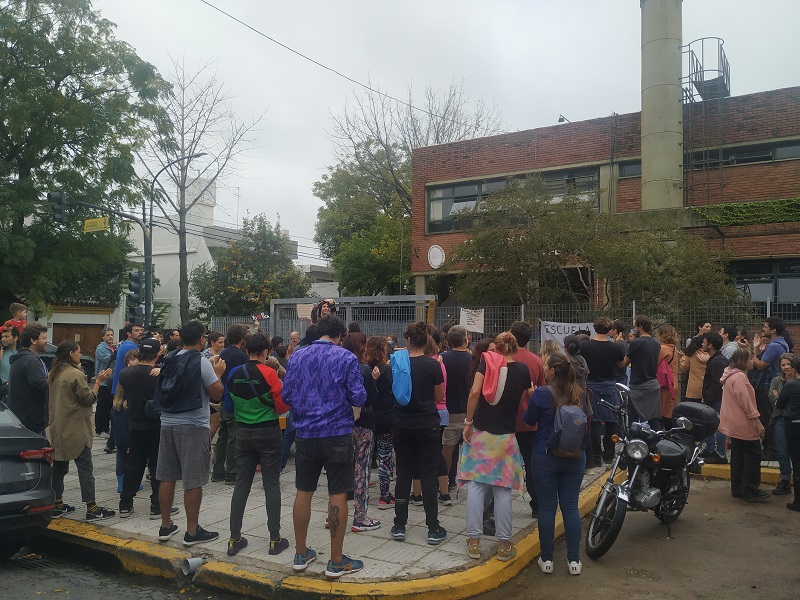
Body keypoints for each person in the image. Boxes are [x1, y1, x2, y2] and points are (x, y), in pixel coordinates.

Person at [283, 315, 366, 579]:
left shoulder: (297, 356)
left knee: (303, 491)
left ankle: (300, 553)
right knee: (338, 493)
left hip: (305, 433)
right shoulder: (345, 358)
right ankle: (336, 560)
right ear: (340, 335)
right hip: (337, 433)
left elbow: (286, 396)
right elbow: (358, 396)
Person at [155, 320, 227, 546]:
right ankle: (192, 531)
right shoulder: (202, 362)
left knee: (167, 476)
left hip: (167, 422)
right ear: (201, 339)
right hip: (193, 425)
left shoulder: (169, 358)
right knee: (193, 479)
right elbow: (217, 394)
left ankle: (165, 525)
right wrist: (218, 373)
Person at [460, 332, 528, 562]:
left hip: (481, 433)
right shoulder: (523, 370)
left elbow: (475, 392)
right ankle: (504, 544)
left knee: (477, 487)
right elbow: (522, 400)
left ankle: (474, 542)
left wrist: (468, 422)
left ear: (496, 347)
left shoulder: (486, 362)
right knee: (503, 491)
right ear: (515, 348)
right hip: (506, 436)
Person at [223, 333, 291, 556]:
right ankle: (274, 539)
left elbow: (229, 407)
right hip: (268, 432)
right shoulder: (270, 373)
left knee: (241, 484)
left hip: (243, 433)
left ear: (246, 351)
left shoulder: (234, 373)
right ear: (266, 352)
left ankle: (234, 538)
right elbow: (282, 407)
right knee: (271, 484)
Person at [524, 353, 587, 576]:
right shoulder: (580, 393)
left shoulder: (541, 393)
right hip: (575, 457)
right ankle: (574, 561)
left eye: (546, 366)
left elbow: (529, 421)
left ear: (552, 371)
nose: (544, 368)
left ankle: (547, 558)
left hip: (545, 455)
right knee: (570, 507)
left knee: (547, 507)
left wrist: (530, 397)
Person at [390, 322, 447, 547]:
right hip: (427, 426)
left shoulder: (397, 364)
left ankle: (399, 525)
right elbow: (438, 396)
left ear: (407, 341)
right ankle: (433, 527)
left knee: (403, 473)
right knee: (428, 474)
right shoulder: (432, 366)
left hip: (402, 424)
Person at [47, 340, 114, 520]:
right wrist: (98, 381)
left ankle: (57, 504)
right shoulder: (75, 374)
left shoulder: (55, 373)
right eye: (78, 351)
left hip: (58, 428)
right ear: (71, 354)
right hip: (76, 429)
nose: (80, 354)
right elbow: (88, 399)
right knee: (85, 469)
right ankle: (92, 508)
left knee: (59, 468)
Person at [118, 339, 175, 518]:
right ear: (158, 353)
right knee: (157, 465)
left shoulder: (125, 373)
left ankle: (125, 504)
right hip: (157, 425)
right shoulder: (158, 375)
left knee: (133, 464)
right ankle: (156, 506)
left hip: (135, 424)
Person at [341, 332, 381, 532]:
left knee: (339, 470)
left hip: (341, 425)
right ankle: (360, 517)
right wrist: (374, 380)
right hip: (363, 424)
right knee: (361, 470)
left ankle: (333, 516)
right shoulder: (364, 369)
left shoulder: (337, 366)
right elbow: (371, 398)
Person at [720, 347, 771, 503]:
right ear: (743, 361)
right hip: (744, 423)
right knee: (753, 455)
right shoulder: (740, 378)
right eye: (750, 358)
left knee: (738, 455)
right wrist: (757, 421)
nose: (752, 361)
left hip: (733, 422)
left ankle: (738, 488)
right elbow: (747, 403)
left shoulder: (730, 375)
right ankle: (750, 489)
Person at [510, 321, 545, 517]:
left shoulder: (500, 359)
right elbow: (539, 391)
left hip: (505, 419)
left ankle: (492, 508)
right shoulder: (536, 360)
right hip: (529, 419)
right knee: (531, 462)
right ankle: (537, 504)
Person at [582, 317, 626, 466]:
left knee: (593, 421)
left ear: (595, 328)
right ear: (609, 330)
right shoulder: (616, 347)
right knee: (611, 421)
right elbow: (621, 364)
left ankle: (595, 456)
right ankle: (609, 454)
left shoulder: (585, 346)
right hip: (609, 385)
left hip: (591, 386)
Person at [212, 324, 250, 484]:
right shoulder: (242, 357)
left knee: (223, 435)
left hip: (223, 400)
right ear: (242, 339)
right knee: (234, 437)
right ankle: (232, 472)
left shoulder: (223, 353)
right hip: (235, 401)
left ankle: (217, 471)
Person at [749, 317, 791, 459]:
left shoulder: (774, 346)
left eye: (766, 327)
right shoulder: (782, 344)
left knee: (768, 418)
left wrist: (752, 355)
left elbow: (761, 365)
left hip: (767, 384)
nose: (764, 329)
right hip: (772, 383)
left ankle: (771, 450)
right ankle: (769, 448)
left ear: (773, 330)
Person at [366, 336, 396, 509]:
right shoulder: (388, 369)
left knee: (365, 457)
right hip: (386, 417)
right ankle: (384, 496)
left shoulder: (362, 369)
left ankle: (362, 492)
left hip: (368, 418)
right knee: (385, 457)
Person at [441, 326, 472, 490]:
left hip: (449, 411)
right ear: (465, 339)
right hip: (469, 411)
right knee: (472, 449)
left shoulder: (442, 359)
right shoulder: (474, 359)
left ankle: (443, 481)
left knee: (447, 449)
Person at [7, 324, 49, 435]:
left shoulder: (21, 358)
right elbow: (40, 385)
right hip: (31, 422)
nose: (47, 341)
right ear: (33, 340)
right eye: (44, 338)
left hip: (22, 419)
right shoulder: (30, 361)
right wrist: (56, 377)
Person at [623, 316, 663, 427]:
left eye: (635, 326)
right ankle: (655, 441)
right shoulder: (656, 343)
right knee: (653, 418)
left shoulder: (636, 343)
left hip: (637, 385)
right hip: (652, 384)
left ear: (640, 327)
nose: (633, 329)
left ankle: (635, 441)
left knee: (633, 416)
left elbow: (624, 363)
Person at [775, 354, 800, 511]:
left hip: (793, 423)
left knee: (796, 462)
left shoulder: (791, 385)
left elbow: (780, 403)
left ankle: (798, 501)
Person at [769, 354, 797, 497]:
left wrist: (779, 397)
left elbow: (779, 400)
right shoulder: (776, 380)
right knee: (782, 451)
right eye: (783, 365)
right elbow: (771, 397)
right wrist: (779, 399)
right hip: (780, 418)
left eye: (788, 364)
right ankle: (785, 480)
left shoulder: (797, 381)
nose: (786, 367)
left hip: (795, 420)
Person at [701, 332, 730, 463]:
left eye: (704, 342)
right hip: (712, 398)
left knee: (719, 426)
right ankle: (711, 449)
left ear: (710, 345)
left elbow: (719, 383)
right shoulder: (715, 359)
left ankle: (720, 454)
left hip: (716, 399)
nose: (702, 344)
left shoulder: (717, 361)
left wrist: (709, 398)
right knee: (711, 424)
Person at [93, 328, 115, 437]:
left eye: (111, 335)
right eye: (108, 335)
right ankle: (100, 429)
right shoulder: (101, 348)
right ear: (103, 337)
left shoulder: (112, 348)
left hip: (110, 382)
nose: (110, 337)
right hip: (103, 382)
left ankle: (106, 428)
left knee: (108, 406)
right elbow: (110, 359)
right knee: (102, 406)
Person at [0, 324, 19, 403]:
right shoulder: (1, 353)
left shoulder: (20, 354)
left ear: (15, 338)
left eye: (7, 337)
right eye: (2, 337)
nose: (3, 339)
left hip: (15, 393)